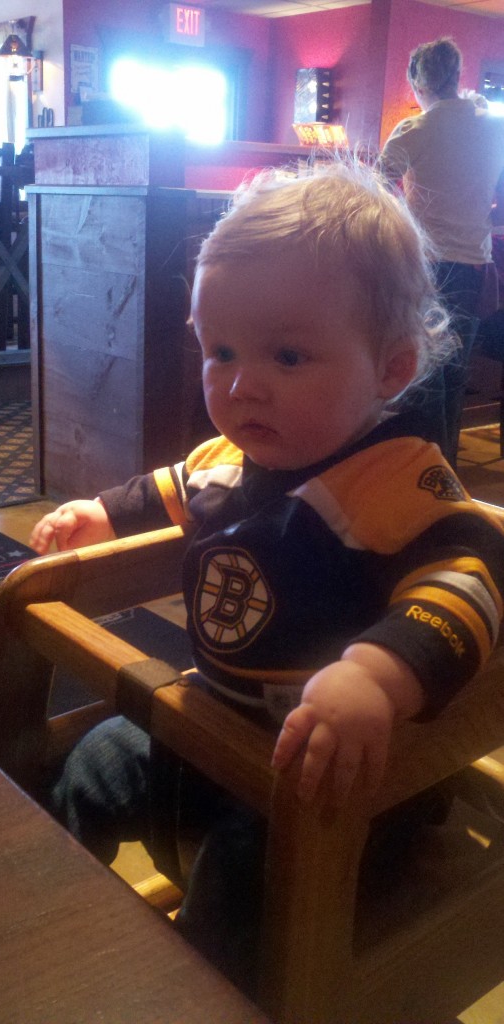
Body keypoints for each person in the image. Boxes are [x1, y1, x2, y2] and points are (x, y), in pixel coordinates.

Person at [30, 160, 504, 995]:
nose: (241, 384)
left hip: (342, 783)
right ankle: (39, 923)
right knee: (88, 762)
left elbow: (468, 578)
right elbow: (168, 488)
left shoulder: (395, 481)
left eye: (288, 355)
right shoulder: (232, 456)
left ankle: (198, 992)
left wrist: (378, 675)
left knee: (239, 893)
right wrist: (98, 516)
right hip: (209, 732)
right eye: (219, 351)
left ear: (389, 371)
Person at [379, 36, 504, 469]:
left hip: (428, 265)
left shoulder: (416, 128)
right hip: (475, 265)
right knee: (453, 372)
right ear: (457, 76)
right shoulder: (492, 125)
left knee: (425, 374)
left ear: (418, 81)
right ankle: (445, 472)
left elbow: (375, 186)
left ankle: (425, 474)